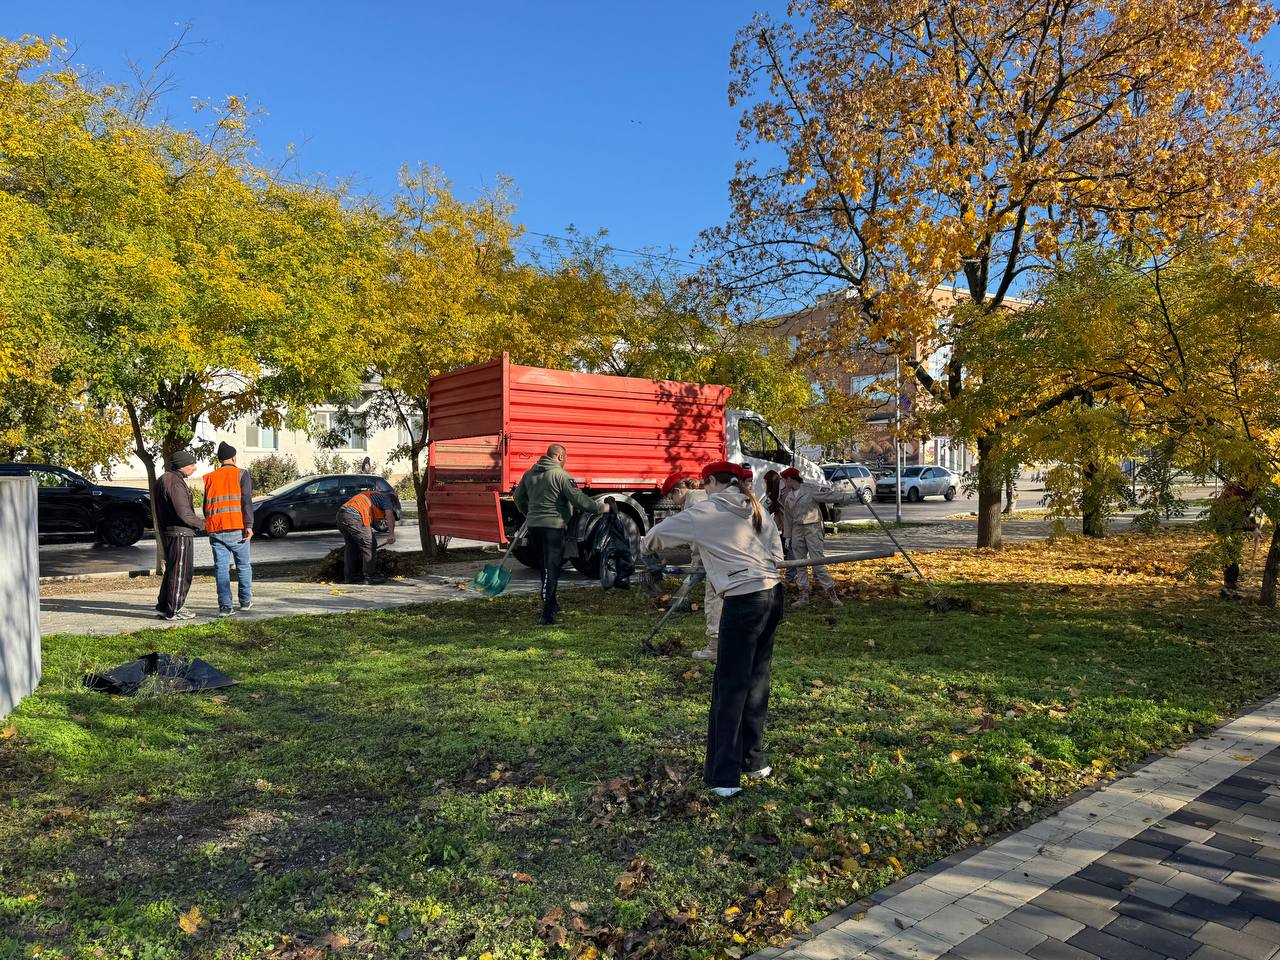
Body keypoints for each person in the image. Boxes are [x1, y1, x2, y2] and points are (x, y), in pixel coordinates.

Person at [641, 460, 785, 799]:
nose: (703, 490)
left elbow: (656, 537)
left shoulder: (705, 510)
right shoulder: (755, 507)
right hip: (773, 594)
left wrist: (645, 548)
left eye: (705, 485)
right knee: (756, 679)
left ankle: (724, 777)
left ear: (710, 482)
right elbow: (778, 554)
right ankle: (754, 760)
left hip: (744, 600)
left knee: (730, 686)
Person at [513, 443, 609, 625]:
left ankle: (553, 603)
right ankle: (547, 614)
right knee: (552, 569)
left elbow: (518, 498)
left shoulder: (529, 474)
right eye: (564, 459)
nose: (564, 462)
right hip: (553, 528)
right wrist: (601, 507)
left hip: (534, 527)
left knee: (545, 567)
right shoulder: (561, 475)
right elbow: (580, 501)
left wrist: (529, 514)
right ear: (559, 457)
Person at [780, 466, 859, 606]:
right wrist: (787, 536)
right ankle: (803, 596)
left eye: (784, 480)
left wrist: (851, 496)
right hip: (797, 530)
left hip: (812, 527)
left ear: (790, 479)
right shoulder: (789, 496)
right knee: (800, 563)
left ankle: (832, 595)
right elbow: (787, 517)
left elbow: (830, 496)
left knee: (818, 562)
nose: (783, 483)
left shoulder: (810, 490)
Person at [667, 476, 722, 660]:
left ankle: (714, 647)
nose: (672, 502)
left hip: (714, 556)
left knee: (713, 599)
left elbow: (699, 536)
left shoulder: (694, 503)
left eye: (671, 497)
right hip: (717, 554)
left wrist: (696, 562)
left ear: (677, 491)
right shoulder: (695, 498)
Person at [203, 441, 254, 616]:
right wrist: (249, 525)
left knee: (221, 569)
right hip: (237, 528)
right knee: (243, 566)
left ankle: (225, 607)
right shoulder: (242, 474)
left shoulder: (209, 477)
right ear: (233, 457)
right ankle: (245, 601)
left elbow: (205, 506)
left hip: (216, 529)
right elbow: (246, 501)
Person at [154, 450, 206, 621]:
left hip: (171, 532)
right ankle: (175, 608)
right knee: (181, 572)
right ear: (183, 465)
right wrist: (205, 525)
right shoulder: (175, 483)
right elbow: (184, 513)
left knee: (172, 570)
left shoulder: (164, 479)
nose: (195, 468)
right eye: (192, 465)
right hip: (180, 533)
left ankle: (164, 605)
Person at [336, 488, 400, 585]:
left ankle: (349, 577)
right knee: (370, 545)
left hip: (341, 515)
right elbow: (389, 516)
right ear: (393, 501)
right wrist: (391, 534)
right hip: (354, 516)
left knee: (352, 546)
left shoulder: (372, 497)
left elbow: (374, 524)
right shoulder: (386, 499)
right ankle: (370, 577)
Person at [763, 469, 797, 588]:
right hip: (783, 527)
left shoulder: (778, 495)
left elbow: (765, 508)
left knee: (791, 553)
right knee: (789, 553)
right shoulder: (778, 494)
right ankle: (789, 577)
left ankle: (789, 578)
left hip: (790, 527)